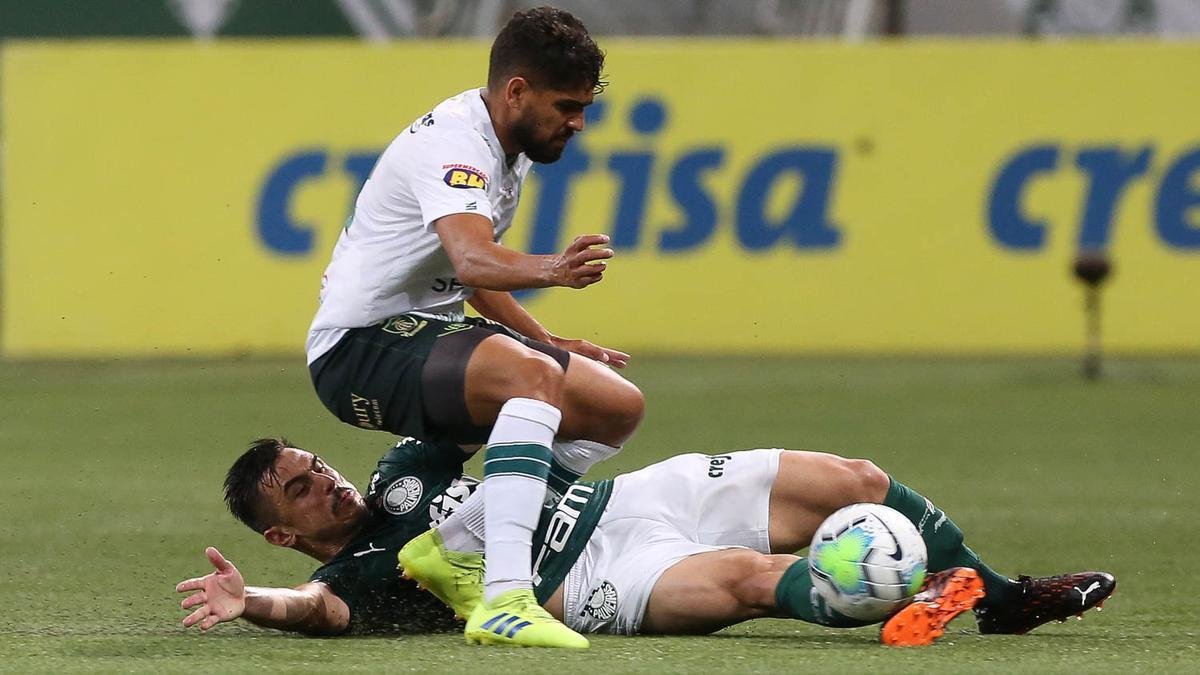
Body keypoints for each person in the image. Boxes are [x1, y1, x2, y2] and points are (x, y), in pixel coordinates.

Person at [303, 6, 643, 647]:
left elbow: (470, 279)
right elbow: (471, 260)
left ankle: (455, 544)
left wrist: (545, 340)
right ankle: (506, 596)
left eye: (584, 108)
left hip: (423, 341)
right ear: (516, 91)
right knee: (531, 378)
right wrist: (554, 270)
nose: (577, 123)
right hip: (357, 349)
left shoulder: (506, 148)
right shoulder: (457, 146)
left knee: (613, 406)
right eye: (567, 106)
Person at [175, 437, 1115, 647]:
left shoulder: (403, 470)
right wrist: (252, 601)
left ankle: (1000, 598)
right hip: (595, 578)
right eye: (303, 488)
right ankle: (895, 595)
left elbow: (473, 388)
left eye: (317, 463)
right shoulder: (358, 574)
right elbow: (316, 610)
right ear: (282, 531)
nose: (329, 481)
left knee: (856, 480)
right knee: (755, 580)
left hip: (627, 497)